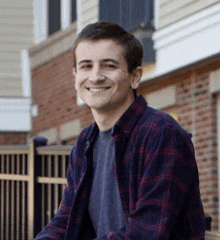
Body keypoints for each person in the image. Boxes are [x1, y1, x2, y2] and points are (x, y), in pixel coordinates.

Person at [34, 21, 205, 240]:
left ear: (135, 77)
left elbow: (145, 234)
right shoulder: (86, 141)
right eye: (86, 66)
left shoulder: (162, 135)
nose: (95, 77)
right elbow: (65, 221)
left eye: (109, 66)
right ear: (75, 76)